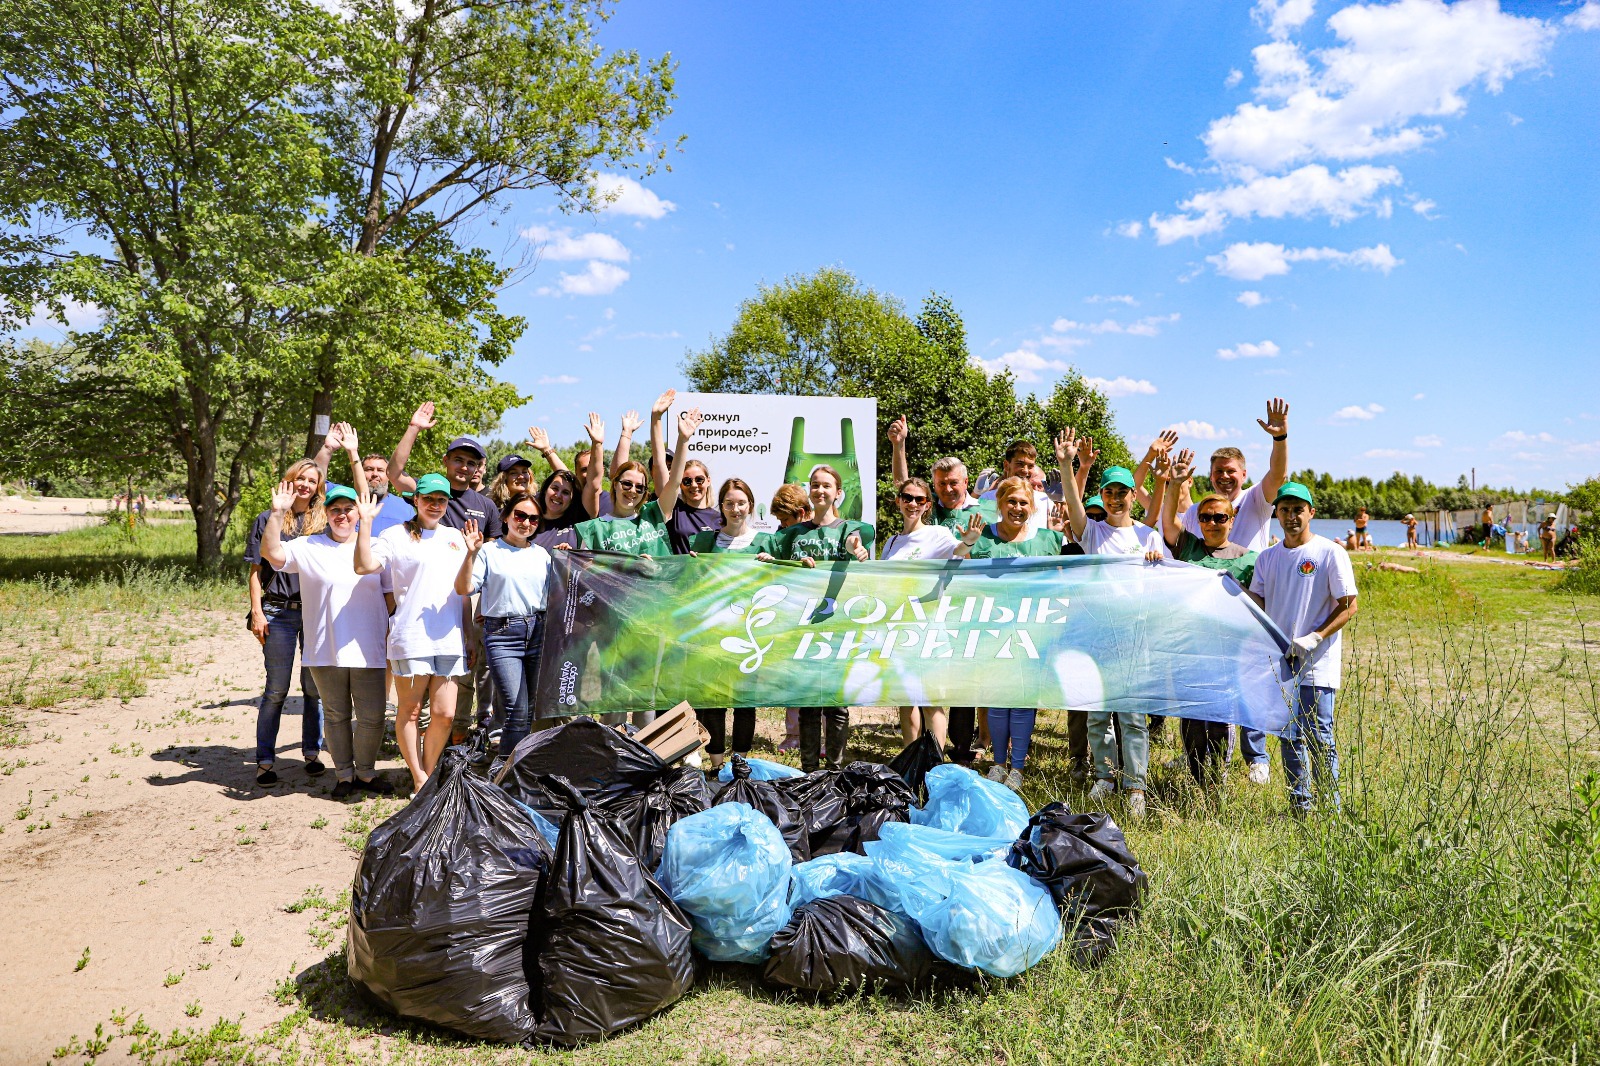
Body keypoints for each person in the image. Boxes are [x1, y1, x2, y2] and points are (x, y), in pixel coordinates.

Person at [1177, 397, 1289, 782]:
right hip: (1207, 613)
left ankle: (1256, 756)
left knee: (1249, 680)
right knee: (1209, 687)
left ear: (1243, 473)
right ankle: (1197, 758)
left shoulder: (1255, 499)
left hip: (1249, 601)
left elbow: (1278, 474)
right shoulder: (1201, 510)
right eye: (1218, 472)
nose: (1224, 477)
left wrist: (1280, 438)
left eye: (1230, 471)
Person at [261, 476, 394, 798]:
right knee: (336, 716)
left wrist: (382, 629)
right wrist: (277, 513)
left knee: (372, 716)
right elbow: (272, 554)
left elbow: (389, 595)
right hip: (324, 648)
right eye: (335, 509)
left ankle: (366, 773)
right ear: (326, 513)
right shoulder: (309, 546)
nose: (342, 515)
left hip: (368, 648)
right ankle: (344, 775)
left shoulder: (378, 545)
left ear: (359, 513)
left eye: (349, 509)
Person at [1058, 429, 1164, 821]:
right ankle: (1105, 776)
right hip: (1098, 636)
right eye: (1109, 492)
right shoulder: (1093, 533)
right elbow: (1072, 502)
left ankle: (1135, 786)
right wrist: (1067, 465)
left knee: (1132, 716)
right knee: (1098, 713)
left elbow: (1164, 583)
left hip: (1135, 636)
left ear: (1134, 495)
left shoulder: (1149, 535)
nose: (1116, 498)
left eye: (1122, 492)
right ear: (1101, 496)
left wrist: (1156, 561)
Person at [354, 473, 470, 790]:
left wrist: (469, 634)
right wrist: (365, 523)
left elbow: (463, 593)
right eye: (428, 498)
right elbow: (363, 566)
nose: (435, 504)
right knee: (411, 710)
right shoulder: (395, 535)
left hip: (449, 638)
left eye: (441, 500)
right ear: (416, 499)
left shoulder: (456, 538)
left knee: (445, 714)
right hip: (411, 637)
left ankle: (428, 773)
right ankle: (419, 778)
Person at [1248, 482, 1358, 815]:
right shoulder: (1268, 558)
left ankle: (1331, 811)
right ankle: (1300, 808)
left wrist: (1316, 636)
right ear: (1276, 514)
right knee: (1288, 736)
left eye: (1298, 510)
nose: (1291, 516)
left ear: (1311, 512)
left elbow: (1349, 605)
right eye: (1285, 510)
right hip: (1281, 663)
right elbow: (1257, 604)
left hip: (1316, 663)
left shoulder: (1329, 553)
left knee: (1319, 736)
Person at [950, 477, 1062, 790]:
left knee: (1023, 700)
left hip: (1032, 630)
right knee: (998, 700)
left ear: (1032, 507)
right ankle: (999, 764)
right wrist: (968, 543)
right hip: (992, 630)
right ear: (1000, 504)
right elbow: (958, 565)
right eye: (1011, 501)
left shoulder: (1048, 539)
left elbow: (1060, 581)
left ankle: (1018, 767)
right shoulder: (982, 536)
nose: (1017, 508)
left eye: (1023, 502)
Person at [762, 465, 874, 772]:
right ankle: (809, 771)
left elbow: (855, 541)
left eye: (826, 485)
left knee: (835, 703)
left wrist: (856, 549)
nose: (820, 490)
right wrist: (773, 561)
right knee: (808, 701)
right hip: (802, 624)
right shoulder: (793, 533)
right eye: (815, 485)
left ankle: (835, 770)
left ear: (838, 493)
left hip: (837, 623)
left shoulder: (848, 528)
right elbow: (771, 560)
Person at [1158, 449, 1259, 789]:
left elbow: (1260, 606)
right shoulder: (1188, 547)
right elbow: (1168, 521)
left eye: (1219, 518)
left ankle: (1217, 784)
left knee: (1219, 719)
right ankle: (1196, 778)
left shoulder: (1249, 559)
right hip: (1188, 649)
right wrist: (1174, 482)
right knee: (1191, 717)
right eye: (1205, 517)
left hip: (1225, 654)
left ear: (1232, 520)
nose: (1212, 523)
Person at [245, 457, 326, 787]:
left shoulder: (324, 520)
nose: (305, 485)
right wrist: (257, 611)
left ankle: (312, 752)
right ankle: (265, 760)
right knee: (276, 689)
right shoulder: (268, 518)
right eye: (300, 479)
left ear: (318, 487)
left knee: (314, 688)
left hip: (315, 613)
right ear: (289, 481)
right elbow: (255, 571)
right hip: (278, 612)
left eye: (312, 480)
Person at [457, 494, 552, 757]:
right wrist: (470, 553)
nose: (526, 523)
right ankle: (505, 769)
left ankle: (515, 766)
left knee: (528, 711)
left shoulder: (542, 555)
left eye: (533, 519)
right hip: (503, 635)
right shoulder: (489, 551)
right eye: (520, 515)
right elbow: (463, 588)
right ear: (506, 517)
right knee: (516, 710)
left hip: (538, 632)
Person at [688, 478, 772, 769]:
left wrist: (772, 566)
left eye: (741, 503)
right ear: (721, 506)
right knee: (713, 699)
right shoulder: (703, 542)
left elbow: (782, 584)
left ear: (750, 505)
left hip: (751, 632)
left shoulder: (766, 542)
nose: (736, 509)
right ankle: (716, 765)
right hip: (713, 631)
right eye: (729, 503)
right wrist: (692, 567)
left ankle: (740, 764)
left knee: (745, 701)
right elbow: (692, 585)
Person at [881, 476, 959, 747]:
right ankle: (910, 759)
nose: (912, 503)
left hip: (930, 626)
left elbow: (959, 551)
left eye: (919, 499)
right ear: (898, 501)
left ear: (927, 505)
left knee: (931, 700)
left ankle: (935, 762)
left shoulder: (938, 534)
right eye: (907, 498)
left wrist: (970, 542)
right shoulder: (891, 542)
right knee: (905, 699)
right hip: (900, 628)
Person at [574, 409, 699, 556]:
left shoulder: (654, 514)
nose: (632, 490)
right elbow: (585, 568)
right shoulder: (594, 529)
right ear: (615, 484)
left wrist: (683, 439)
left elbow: (674, 483)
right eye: (627, 484)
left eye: (640, 487)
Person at [651, 390, 723, 554]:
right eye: (687, 481)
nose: (694, 485)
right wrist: (656, 418)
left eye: (699, 479)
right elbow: (659, 464)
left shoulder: (720, 519)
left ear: (708, 480)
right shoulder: (673, 510)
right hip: (677, 571)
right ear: (680, 485)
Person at [769, 483, 812, 752]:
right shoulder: (782, 536)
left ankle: (820, 735)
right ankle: (793, 733)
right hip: (791, 610)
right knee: (793, 674)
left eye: (785, 519)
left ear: (802, 513)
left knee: (819, 675)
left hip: (819, 612)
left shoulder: (821, 531)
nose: (782, 525)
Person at [979, 441, 1052, 535]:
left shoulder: (1045, 501)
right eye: (1020, 464)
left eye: (1030, 466)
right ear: (1006, 465)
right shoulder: (987, 499)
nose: (1025, 471)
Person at [531, 468, 586, 550]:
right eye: (555, 488)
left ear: (572, 499)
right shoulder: (529, 522)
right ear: (546, 490)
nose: (558, 495)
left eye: (565, 492)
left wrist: (570, 554)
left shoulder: (579, 525)